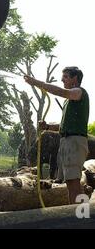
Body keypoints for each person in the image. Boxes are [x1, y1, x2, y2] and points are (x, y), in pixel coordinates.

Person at [24, 66, 89, 204]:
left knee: (74, 183)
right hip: (67, 141)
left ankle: (81, 217)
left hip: (75, 142)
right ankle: (77, 214)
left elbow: (61, 91)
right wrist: (47, 127)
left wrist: (37, 83)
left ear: (75, 79)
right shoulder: (69, 101)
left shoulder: (79, 92)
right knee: (70, 183)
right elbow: (64, 126)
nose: (62, 79)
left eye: (65, 77)